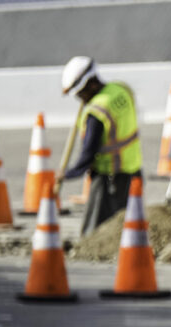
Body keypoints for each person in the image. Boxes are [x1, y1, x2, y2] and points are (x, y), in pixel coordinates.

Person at [58, 56, 143, 236]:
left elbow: (88, 153)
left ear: (91, 85)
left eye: (80, 94)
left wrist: (67, 174)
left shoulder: (97, 111)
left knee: (95, 232)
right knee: (129, 225)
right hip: (133, 169)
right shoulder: (121, 89)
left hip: (109, 177)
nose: (81, 99)